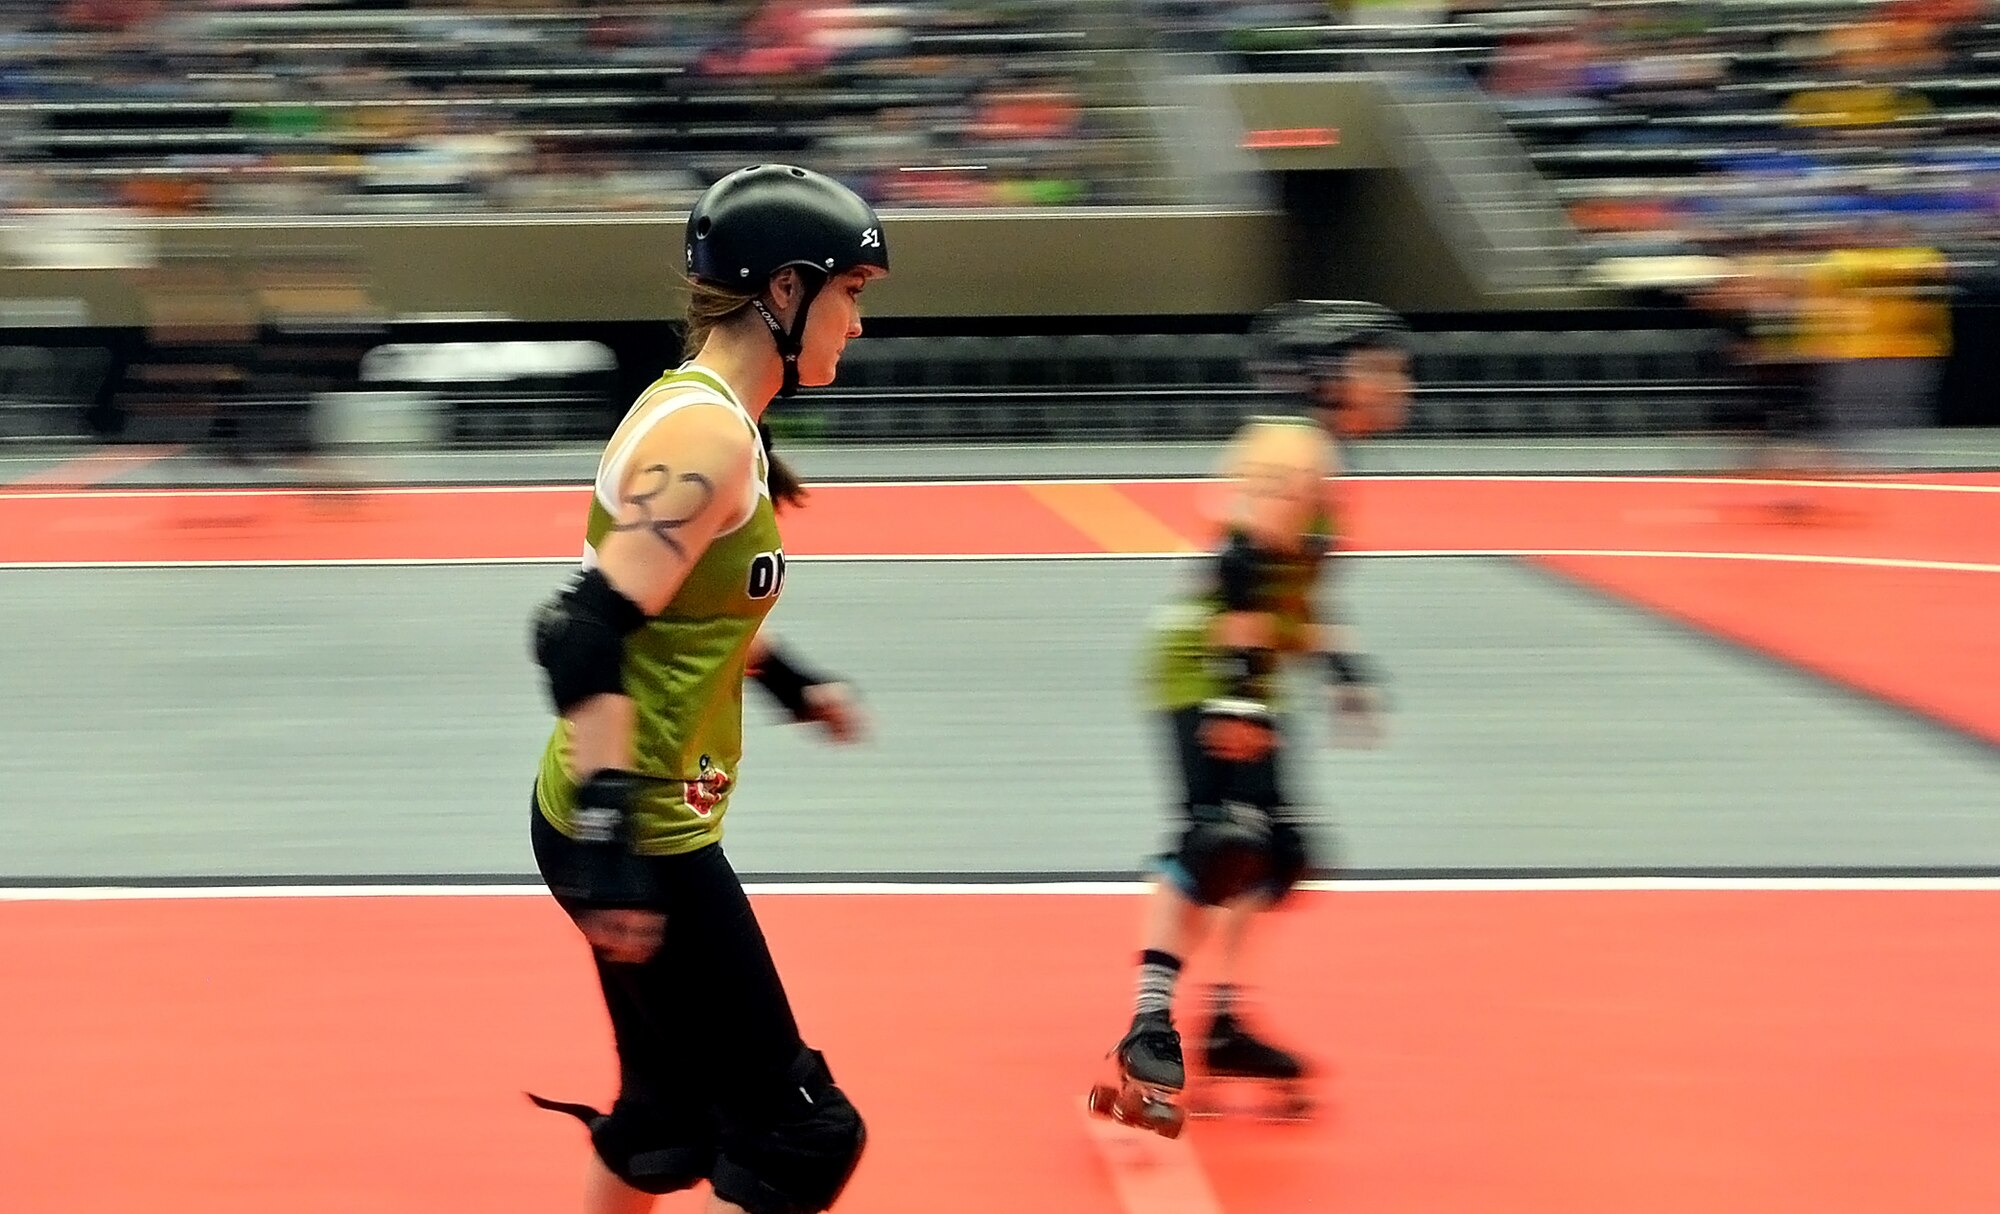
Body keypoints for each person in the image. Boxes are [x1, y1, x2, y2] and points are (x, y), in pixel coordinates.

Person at [524, 163, 888, 1214]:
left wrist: (788, 681)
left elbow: (684, 607)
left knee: (666, 1115)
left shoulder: (721, 416)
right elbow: (581, 633)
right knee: (803, 1132)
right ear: (783, 290)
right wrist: (611, 841)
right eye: (850, 293)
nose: (856, 325)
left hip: (627, 810)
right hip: (636, 820)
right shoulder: (707, 434)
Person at [1090, 299, 1413, 1135]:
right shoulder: (1291, 444)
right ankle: (1149, 1024)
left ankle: (1225, 1022)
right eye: (1380, 366)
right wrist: (1235, 692)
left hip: (1249, 669)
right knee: (1220, 838)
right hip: (1203, 664)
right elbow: (1240, 563)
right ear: (1328, 377)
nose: (1398, 381)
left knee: (1278, 854)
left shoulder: (1318, 454)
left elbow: (1288, 585)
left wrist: (1338, 665)